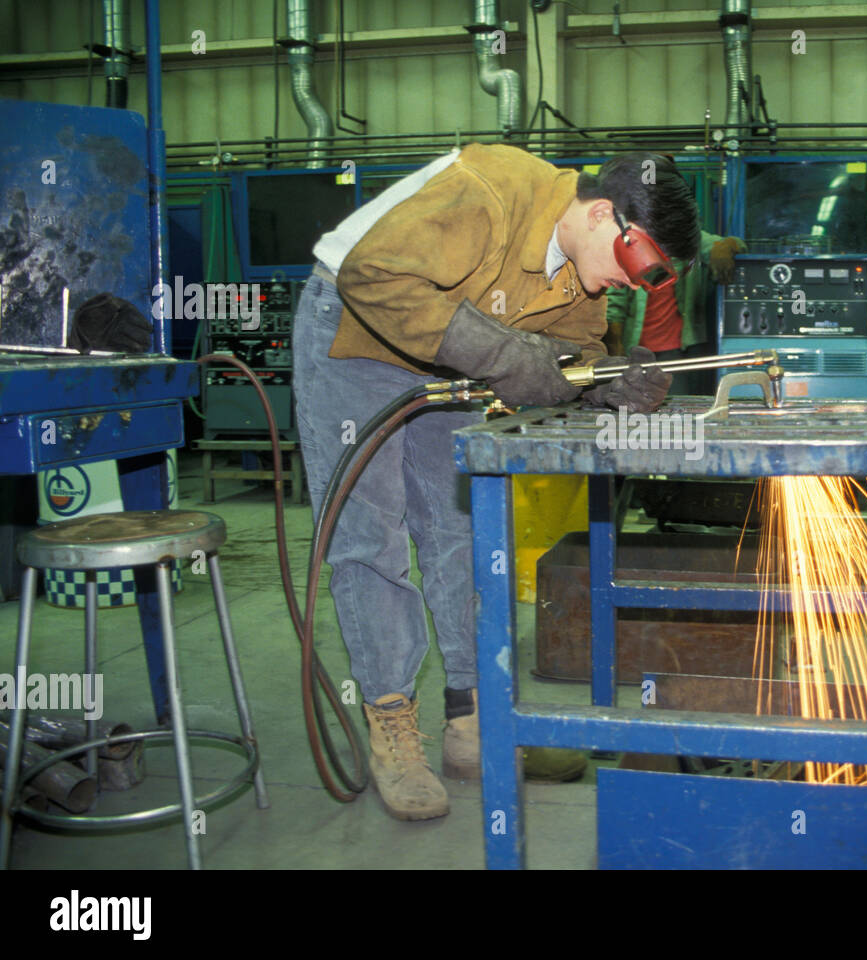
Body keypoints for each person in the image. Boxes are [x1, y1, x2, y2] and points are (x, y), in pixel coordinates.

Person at [293, 145, 698, 820]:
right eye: (638, 267)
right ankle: (392, 725)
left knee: (460, 530)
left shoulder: (579, 271)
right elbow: (377, 274)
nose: (632, 285)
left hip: (447, 354)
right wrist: (506, 354)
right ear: (603, 215)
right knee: (372, 540)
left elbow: (572, 354)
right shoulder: (488, 189)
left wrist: (607, 381)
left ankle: (474, 724)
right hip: (355, 335)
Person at [605, 231, 745, 395]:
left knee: (676, 410)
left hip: (679, 353)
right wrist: (615, 346)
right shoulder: (633, 241)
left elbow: (737, 244)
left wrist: (726, 246)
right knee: (634, 405)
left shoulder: (690, 238)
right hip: (637, 348)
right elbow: (615, 300)